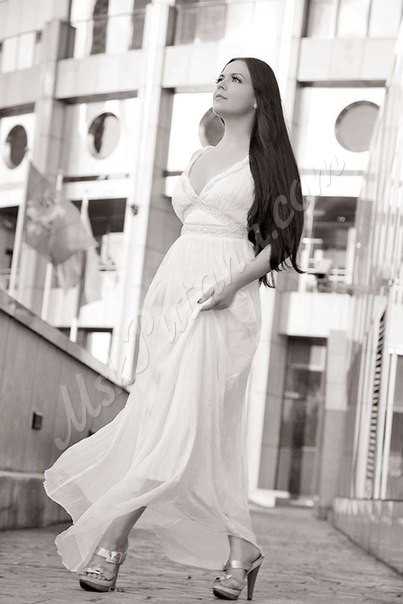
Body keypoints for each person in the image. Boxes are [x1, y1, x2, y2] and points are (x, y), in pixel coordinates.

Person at [43, 56, 304, 601]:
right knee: (170, 417)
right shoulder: (199, 157)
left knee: (177, 422)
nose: (221, 83)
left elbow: (281, 242)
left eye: (235, 79)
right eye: (221, 76)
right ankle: (242, 549)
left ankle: (113, 540)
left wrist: (232, 285)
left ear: (259, 98)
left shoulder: (268, 164)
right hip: (174, 293)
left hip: (222, 298)